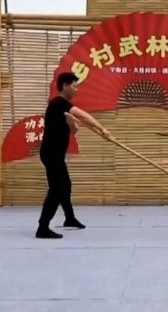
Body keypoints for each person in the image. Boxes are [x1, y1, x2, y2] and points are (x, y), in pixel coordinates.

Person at [36, 72, 111, 239]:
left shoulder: (63, 109)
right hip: (51, 154)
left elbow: (74, 131)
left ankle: (69, 218)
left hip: (56, 154)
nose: (77, 90)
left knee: (66, 186)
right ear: (65, 86)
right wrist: (102, 129)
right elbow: (84, 115)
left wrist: (71, 124)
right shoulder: (58, 102)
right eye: (75, 86)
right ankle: (42, 227)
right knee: (56, 189)